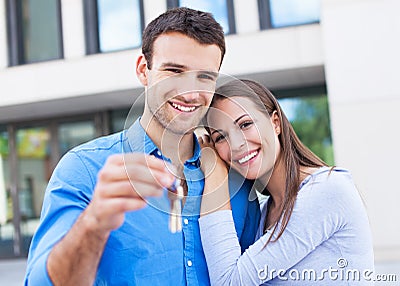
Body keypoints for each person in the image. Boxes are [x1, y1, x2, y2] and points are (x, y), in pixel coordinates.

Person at [24, 9, 260, 285]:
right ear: (142, 70)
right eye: (174, 71)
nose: (190, 92)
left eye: (205, 77)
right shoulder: (84, 169)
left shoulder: (236, 179)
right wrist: (94, 222)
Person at [198, 79, 374, 285]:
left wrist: (214, 174)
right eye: (220, 137)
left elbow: (229, 281)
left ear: (276, 123)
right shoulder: (263, 214)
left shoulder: (327, 190)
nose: (236, 144)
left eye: (245, 125)